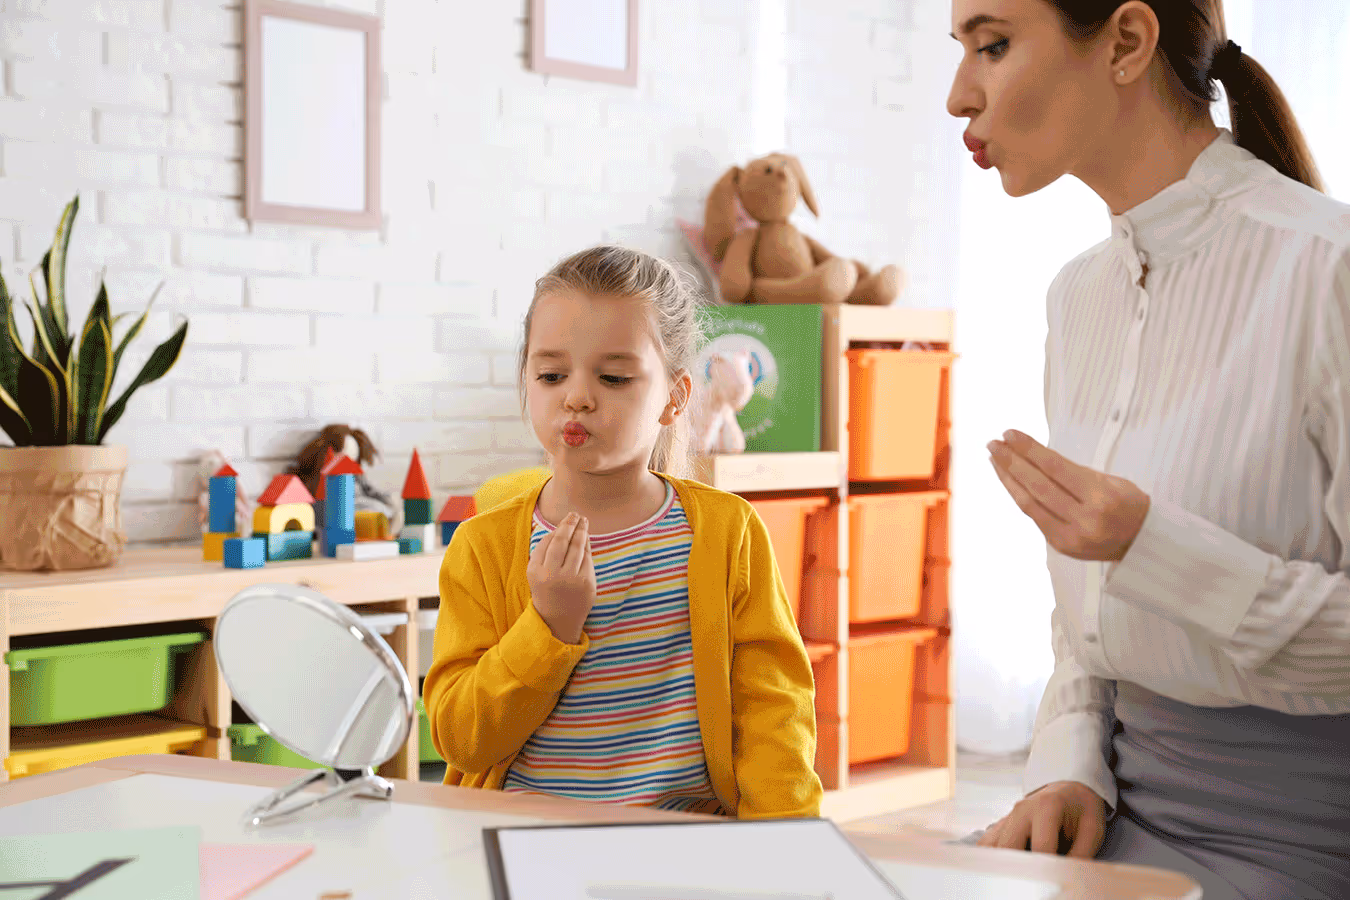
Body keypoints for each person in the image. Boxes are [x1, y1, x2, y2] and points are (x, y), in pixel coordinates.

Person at [946, 1, 1350, 898]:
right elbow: (1086, 627)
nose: (957, 95)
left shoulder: (1329, 270)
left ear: (1126, 42)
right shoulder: (1077, 297)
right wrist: (1067, 765)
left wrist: (1154, 550)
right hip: (1116, 815)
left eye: (994, 46)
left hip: (1302, 843)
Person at [421, 244, 824, 818]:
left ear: (674, 397)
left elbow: (773, 712)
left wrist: (785, 844)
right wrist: (549, 629)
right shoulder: (483, 547)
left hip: (680, 847)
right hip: (526, 841)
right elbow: (461, 739)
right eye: (551, 374)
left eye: (613, 377)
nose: (577, 396)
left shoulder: (726, 533)